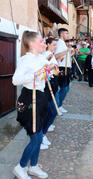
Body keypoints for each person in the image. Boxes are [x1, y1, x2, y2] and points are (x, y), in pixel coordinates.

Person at [12, 31, 50, 179]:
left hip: (39, 98)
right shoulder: (25, 60)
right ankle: (20, 167)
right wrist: (35, 75)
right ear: (32, 43)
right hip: (29, 99)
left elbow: (49, 66)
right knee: (36, 138)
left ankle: (33, 166)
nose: (44, 44)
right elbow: (16, 80)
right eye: (41, 41)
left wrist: (51, 69)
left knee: (39, 138)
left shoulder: (39, 57)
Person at [41, 37, 59, 150]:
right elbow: (44, 68)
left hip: (52, 84)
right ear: (47, 44)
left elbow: (55, 70)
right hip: (46, 87)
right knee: (51, 112)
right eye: (53, 44)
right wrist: (50, 66)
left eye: (56, 45)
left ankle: (43, 134)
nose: (55, 47)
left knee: (52, 112)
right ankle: (41, 135)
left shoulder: (51, 54)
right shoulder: (46, 54)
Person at [54, 28, 71, 114]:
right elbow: (56, 56)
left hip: (66, 67)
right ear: (61, 34)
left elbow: (63, 57)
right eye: (66, 33)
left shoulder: (63, 43)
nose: (67, 35)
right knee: (64, 88)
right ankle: (58, 106)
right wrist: (66, 51)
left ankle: (59, 105)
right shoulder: (59, 43)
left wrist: (70, 53)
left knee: (67, 88)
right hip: (62, 68)